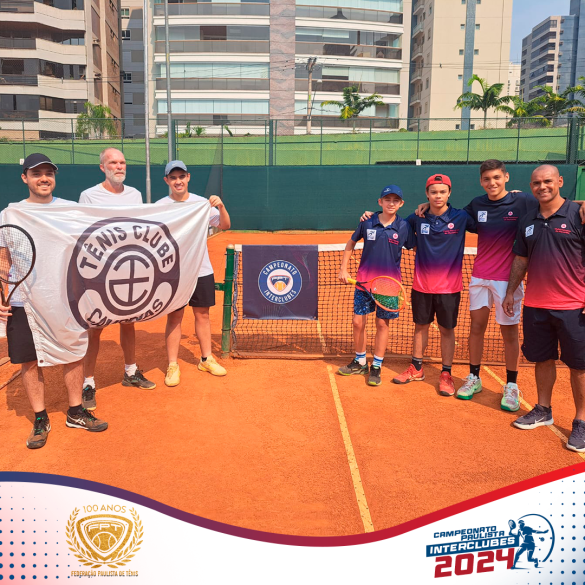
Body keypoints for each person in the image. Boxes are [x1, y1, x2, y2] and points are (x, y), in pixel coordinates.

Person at [0, 153, 108, 449]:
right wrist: (2, 295)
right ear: (24, 178)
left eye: (48, 173)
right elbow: (3, 260)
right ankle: (40, 418)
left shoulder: (71, 211)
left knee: (73, 352)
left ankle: (75, 411)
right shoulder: (10, 214)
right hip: (23, 301)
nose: (43, 178)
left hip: (64, 298)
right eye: (36, 174)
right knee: (29, 360)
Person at [503, 164, 585, 453]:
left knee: (580, 366)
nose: (542, 186)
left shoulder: (578, 214)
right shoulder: (528, 219)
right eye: (536, 183)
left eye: (548, 181)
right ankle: (543, 409)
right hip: (536, 305)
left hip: (574, 306)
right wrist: (510, 291)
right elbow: (521, 258)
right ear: (531, 186)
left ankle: (581, 421)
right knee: (542, 359)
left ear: (560, 181)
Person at [78, 148, 155, 409]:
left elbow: (139, 229)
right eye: (113, 162)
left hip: (128, 269)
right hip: (99, 272)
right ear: (103, 167)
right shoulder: (88, 195)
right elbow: (84, 233)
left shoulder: (135, 194)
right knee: (95, 327)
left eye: (122, 162)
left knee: (129, 322)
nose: (119, 166)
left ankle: (130, 372)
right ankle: (88, 382)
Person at [392, 174, 475, 396]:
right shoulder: (417, 217)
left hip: (450, 287)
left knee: (447, 330)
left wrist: (514, 197)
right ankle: (417, 368)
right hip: (422, 285)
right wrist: (370, 216)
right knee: (420, 327)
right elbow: (394, 223)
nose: (438, 196)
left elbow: (489, 219)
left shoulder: (461, 217)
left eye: (442, 192)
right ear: (427, 194)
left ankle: (446, 373)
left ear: (449, 193)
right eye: (433, 192)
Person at [154, 161, 231, 386]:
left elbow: (225, 225)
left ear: (188, 177)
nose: (178, 181)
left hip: (201, 269)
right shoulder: (159, 206)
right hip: (173, 271)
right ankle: (172, 364)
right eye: (173, 177)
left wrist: (221, 206)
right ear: (167, 180)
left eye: (181, 176)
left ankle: (206, 359)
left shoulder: (201, 204)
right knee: (175, 317)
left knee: (203, 314)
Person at [338, 185, 415, 386]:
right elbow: (351, 243)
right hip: (364, 282)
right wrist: (343, 269)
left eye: (395, 200)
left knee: (382, 324)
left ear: (401, 204)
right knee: (358, 322)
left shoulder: (404, 226)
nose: (391, 203)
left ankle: (377, 365)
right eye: (387, 199)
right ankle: (360, 361)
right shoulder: (368, 221)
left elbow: (417, 247)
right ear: (380, 202)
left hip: (389, 285)